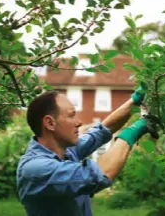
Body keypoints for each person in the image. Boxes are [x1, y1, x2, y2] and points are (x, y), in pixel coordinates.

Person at [16, 88, 148, 216]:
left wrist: (134, 101)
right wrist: (131, 133)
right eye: (71, 115)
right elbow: (102, 173)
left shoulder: (65, 150)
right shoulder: (35, 169)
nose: (79, 122)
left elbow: (101, 131)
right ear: (50, 123)